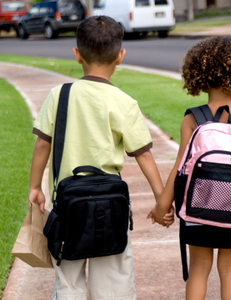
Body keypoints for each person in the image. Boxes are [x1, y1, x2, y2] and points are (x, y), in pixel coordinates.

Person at [28, 15, 172, 300]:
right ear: (120, 57)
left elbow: (42, 145)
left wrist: (35, 187)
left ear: (77, 54)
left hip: (69, 206)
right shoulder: (124, 102)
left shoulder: (60, 95)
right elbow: (144, 156)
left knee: (68, 283)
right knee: (115, 284)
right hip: (111, 208)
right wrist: (160, 201)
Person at [148, 36, 231, 300]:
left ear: (200, 76)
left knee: (198, 269)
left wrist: (162, 207)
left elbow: (179, 169)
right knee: (230, 270)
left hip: (197, 208)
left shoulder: (192, 118)